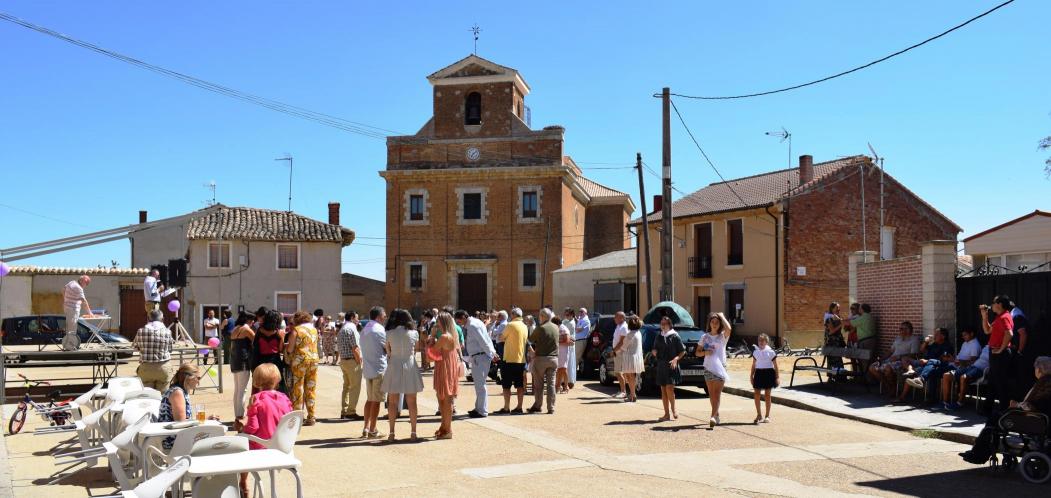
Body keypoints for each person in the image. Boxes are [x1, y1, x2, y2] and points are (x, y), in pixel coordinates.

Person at [960, 356, 1051, 465]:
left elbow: (1035, 406)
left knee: (995, 419)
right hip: (1036, 418)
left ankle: (978, 454)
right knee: (995, 420)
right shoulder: (1046, 382)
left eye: (1035, 368)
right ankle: (979, 452)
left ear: (1039, 369)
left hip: (1033, 420)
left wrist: (1016, 405)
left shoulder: (1044, 383)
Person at [238, 362, 293, 496]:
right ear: (277, 379)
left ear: (256, 381)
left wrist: (242, 428)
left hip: (262, 448)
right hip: (284, 448)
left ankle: (243, 481)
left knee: (240, 441)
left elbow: (252, 428)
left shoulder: (256, 399)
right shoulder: (285, 398)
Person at [381, 309, 423, 441]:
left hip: (394, 364)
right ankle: (413, 432)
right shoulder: (414, 333)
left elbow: (388, 351)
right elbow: (416, 349)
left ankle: (392, 432)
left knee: (392, 401)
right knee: (412, 401)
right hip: (409, 364)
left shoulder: (389, 333)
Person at [157, 363, 217, 449]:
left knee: (214, 435)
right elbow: (181, 422)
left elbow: (184, 422)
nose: (199, 382)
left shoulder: (181, 391)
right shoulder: (177, 392)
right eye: (198, 378)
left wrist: (205, 419)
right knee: (214, 438)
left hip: (179, 436)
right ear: (189, 378)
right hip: (173, 441)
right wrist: (201, 422)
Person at [456, 309, 495, 419]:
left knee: (480, 385)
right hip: (478, 356)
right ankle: (478, 408)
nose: (459, 324)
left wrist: (492, 354)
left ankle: (482, 411)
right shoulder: (475, 323)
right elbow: (486, 339)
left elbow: (483, 341)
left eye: (459, 321)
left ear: (464, 317)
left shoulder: (473, 325)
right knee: (479, 384)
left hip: (480, 356)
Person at [898, 327, 954, 402]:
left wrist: (927, 361)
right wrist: (926, 342)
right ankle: (911, 371)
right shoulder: (934, 344)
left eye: (936, 334)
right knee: (905, 358)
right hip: (924, 363)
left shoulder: (947, 346)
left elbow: (943, 359)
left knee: (930, 369)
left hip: (936, 365)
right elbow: (921, 350)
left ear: (943, 336)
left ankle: (903, 396)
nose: (934, 336)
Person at [697, 312, 732, 428]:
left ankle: (712, 416)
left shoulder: (722, 336)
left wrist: (722, 316)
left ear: (720, 324)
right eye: (713, 322)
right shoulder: (704, 337)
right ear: (710, 323)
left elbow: (729, 329)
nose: (715, 324)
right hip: (708, 367)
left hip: (720, 368)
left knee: (717, 393)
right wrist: (705, 352)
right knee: (712, 395)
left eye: (717, 322)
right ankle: (716, 415)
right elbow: (697, 352)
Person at [981, 295, 1014, 414]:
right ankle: (988, 409)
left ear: (999, 304)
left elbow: (1009, 333)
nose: (992, 305)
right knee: (992, 381)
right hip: (995, 353)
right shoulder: (999, 317)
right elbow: (987, 330)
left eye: (993, 303)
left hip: (1000, 354)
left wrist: (1001, 349)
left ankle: (1004, 410)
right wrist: (984, 316)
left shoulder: (1005, 317)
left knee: (1000, 383)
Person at [285, 311, 320, 426]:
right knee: (311, 388)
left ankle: (297, 417)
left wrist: (286, 351)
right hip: (314, 360)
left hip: (300, 361)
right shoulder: (314, 329)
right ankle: (311, 416)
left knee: (298, 388)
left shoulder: (296, 330)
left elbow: (290, 349)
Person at [869, 321, 919, 397]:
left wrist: (899, 357)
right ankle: (888, 386)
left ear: (909, 330)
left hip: (902, 362)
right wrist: (881, 359)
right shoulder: (898, 338)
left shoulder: (914, 340)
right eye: (900, 328)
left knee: (887, 368)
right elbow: (891, 351)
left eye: (902, 328)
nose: (900, 330)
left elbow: (913, 355)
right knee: (872, 367)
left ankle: (893, 388)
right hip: (890, 360)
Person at [433, 312, 462, 439]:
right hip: (447, 367)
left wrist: (432, 337)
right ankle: (444, 426)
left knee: (445, 399)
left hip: (444, 367)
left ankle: (448, 429)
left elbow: (431, 353)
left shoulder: (445, 336)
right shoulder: (451, 335)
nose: (436, 323)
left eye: (438, 321)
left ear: (443, 322)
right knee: (443, 398)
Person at [360, 306, 388, 439]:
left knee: (370, 399)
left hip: (368, 368)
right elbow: (387, 348)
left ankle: (366, 427)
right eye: (384, 315)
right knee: (376, 400)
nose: (385, 317)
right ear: (378, 316)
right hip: (378, 368)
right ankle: (372, 430)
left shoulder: (365, 329)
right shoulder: (379, 329)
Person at [941, 329, 986, 410]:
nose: (963, 337)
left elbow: (972, 361)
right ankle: (945, 402)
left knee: (963, 377)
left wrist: (957, 362)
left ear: (971, 334)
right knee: (946, 375)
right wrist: (953, 359)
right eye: (962, 335)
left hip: (968, 367)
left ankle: (959, 403)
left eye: (965, 335)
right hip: (962, 365)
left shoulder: (975, 345)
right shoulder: (967, 344)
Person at [652, 315, 685, 422]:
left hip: (671, 365)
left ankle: (674, 410)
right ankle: (666, 414)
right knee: (663, 390)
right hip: (661, 365)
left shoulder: (675, 336)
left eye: (665, 324)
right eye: (661, 324)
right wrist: (654, 352)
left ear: (669, 325)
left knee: (669, 388)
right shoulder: (659, 336)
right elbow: (654, 348)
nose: (663, 325)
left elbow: (682, 351)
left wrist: (676, 359)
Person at [496, 308, 528, 414]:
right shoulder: (525, 326)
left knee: (506, 385)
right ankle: (519, 407)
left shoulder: (510, 325)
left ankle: (506, 407)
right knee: (520, 385)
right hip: (521, 359)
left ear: (513, 314)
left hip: (509, 359)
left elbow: (501, 338)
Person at [133, 309, 174, 391]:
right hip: (163, 368)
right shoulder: (168, 331)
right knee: (163, 396)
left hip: (146, 368)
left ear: (148, 318)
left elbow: (135, 347)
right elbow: (170, 349)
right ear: (162, 319)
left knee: (147, 396)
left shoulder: (140, 331)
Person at [528, 308, 559, 415]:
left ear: (542, 316)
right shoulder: (556, 327)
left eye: (539, 316)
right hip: (554, 359)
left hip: (541, 358)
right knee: (551, 385)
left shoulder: (540, 328)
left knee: (539, 385)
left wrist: (532, 352)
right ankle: (551, 407)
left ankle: (538, 405)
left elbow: (529, 340)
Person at [229, 311, 256, 430]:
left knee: (237, 390)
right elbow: (256, 340)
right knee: (242, 390)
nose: (253, 322)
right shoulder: (246, 329)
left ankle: (237, 415)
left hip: (235, 361)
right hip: (243, 361)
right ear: (247, 320)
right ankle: (240, 416)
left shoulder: (235, 329)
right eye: (252, 320)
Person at [252, 309, 287, 394]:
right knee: (276, 385)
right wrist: (282, 338)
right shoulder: (279, 333)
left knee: (259, 385)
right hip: (275, 361)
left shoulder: (259, 331)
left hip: (260, 361)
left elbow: (255, 346)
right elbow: (280, 350)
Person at [338, 311, 363, 420]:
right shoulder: (352, 328)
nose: (358, 320)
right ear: (352, 318)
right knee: (355, 387)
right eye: (357, 318)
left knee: (346, 387)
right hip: (352, 361)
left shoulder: (343, 328)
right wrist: (359, 361)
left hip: (344, 360)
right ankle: (351, 411)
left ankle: (344, 411)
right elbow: (355, 347)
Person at [613, 315, 644, 403]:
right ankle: (632, 395)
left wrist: (614, 352)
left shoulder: (630, 335)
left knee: (629, 377)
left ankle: (632, 395)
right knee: (631, 376)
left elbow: (623, 347)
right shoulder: (639, 333)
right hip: (636, 356)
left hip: (629, 357)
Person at [750, 333, 779, 423]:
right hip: (758, 373)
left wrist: (777, 377)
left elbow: (775, 365)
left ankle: (767, 415)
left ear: (766, 342)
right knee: (756, 394)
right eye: (759, 340)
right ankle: (759, 415)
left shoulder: (771, 352)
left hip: (768, 373)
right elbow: (754, 364)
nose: (761, 342)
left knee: (767, 394)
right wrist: (751, 376)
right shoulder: (755, 352)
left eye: (763, 340)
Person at [61, 275, 93, 350]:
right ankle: (70, 347)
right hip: (73, 309)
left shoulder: (72, 282)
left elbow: (63, 290)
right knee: (72, 329)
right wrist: (90, 313)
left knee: (69, 328)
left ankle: (68, 345)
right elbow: (84, 301)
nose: (86, 285)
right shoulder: (79, 288)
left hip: (68, 308)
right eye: (86, 283)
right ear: (82, 281)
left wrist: (66, 300)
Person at [848, 304, 877, 371]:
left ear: (862, 310)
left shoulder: (862, 318)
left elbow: (850, 323)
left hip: (865, 341)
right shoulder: (870, 317)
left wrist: (840, 320)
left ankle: (865, 376)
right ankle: (869, 375)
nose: (859, 310)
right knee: (869, 360)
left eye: (860, 308)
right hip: (872, 340)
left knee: (864, 361)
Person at [610, 311, 628, 398]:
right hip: (618, 351)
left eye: (616, 317)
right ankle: (622, 390)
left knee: (618, 372)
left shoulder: (624, 327)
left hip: (620, 352)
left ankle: (623, 391)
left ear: (622, 318)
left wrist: (614, 351)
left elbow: (621, 342)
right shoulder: (619, 326)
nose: (615, 318)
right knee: (620, 372)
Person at [823, 302, 845, 369]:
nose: (839, 309)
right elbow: (831, 332)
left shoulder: (837, 317)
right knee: (834, 362)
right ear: (832, 309)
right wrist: (841, 324)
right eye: (837, 308)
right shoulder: (829, 318)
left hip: (837, 343)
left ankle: (839, 374)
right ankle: (834, 374)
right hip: (831, 344)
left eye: (839, 308)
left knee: (838, 361)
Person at [562, 308, 578, 389]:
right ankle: (564, 380)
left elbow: (569, 335)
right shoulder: (566, 321)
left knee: (569, 362)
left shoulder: (571, 323)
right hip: (566, 343)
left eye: (567, 315)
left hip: (569, 344)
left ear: (571, 315)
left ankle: (569, 381)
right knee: (566, 362)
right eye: (565, 314)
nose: (566, 316)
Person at [556, 317, 572, 394]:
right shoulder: (560, 328)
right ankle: (560, 386)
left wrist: (556, 342)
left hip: (563, 351)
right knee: (560, 369)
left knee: (563, 369)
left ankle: (565, 387)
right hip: (560, 351)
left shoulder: (563, 329)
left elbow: (567, 340)